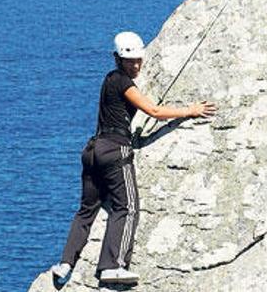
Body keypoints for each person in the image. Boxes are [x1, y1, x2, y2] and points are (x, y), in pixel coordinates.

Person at [49, 31, 217, 285]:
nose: (136, 65)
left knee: (86, 211)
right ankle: (112, 266)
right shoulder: (124, 82)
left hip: (93, 150)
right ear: (118, 59)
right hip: (116, 151)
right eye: (131, 61)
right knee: (127, 207)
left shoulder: (109, 80)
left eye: (139, 60)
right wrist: (190, 111)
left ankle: (65, 264)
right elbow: (154, 110)